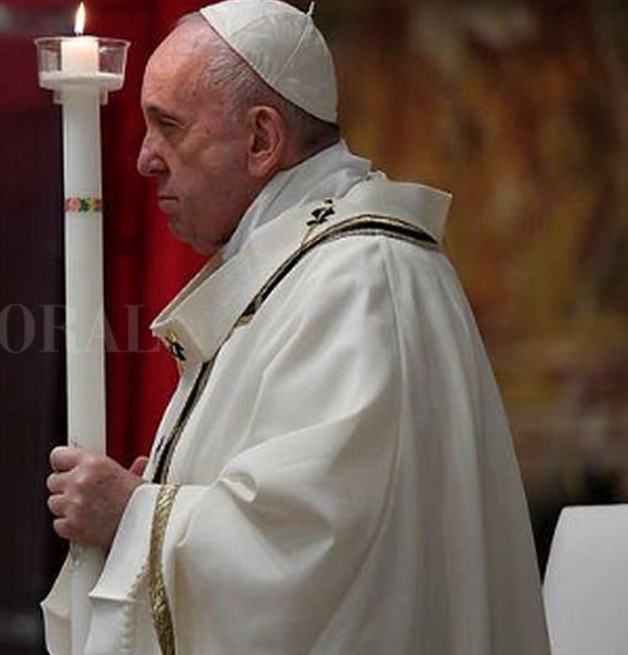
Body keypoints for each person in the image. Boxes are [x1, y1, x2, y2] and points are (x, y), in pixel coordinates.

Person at [41, 1, 550, 654]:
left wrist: (134, 515)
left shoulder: (361, 278)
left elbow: (307, 544)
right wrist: (155, 498)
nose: (145, 159)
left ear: (262, 139)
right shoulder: (306, 268)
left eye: (169, 126)